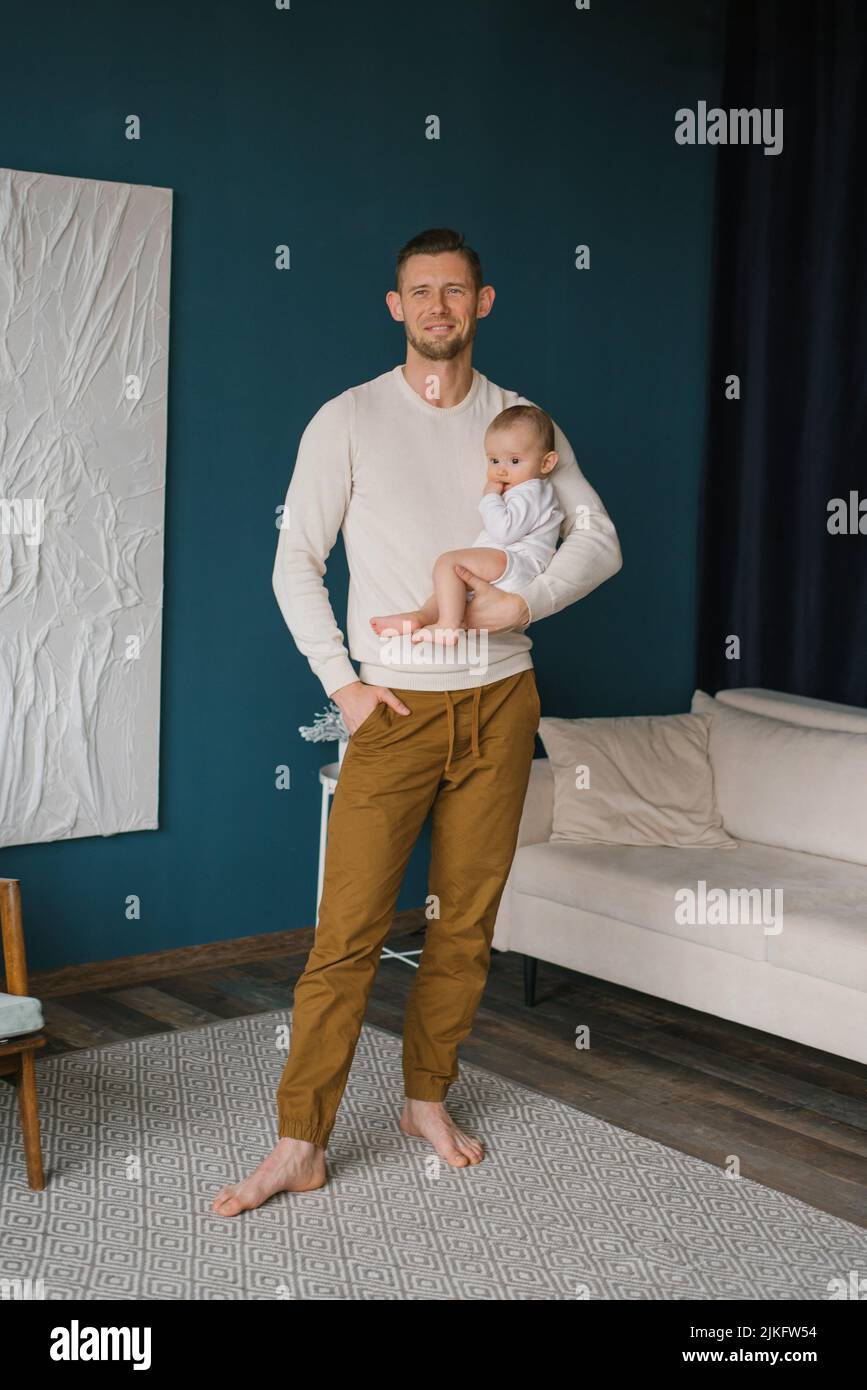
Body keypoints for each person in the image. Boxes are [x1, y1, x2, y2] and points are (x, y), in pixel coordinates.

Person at [212, 228, 622, 1216]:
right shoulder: (347, 420)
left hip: (500, 704)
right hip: (391, 711)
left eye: (455, 290)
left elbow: (599, 539)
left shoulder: (523, 422)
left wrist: (524, 606)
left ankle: (426, 1100)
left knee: (464, 925)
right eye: (418, 291)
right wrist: (343, 682)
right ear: (396, 307)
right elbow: (292, 563)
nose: (437, 304)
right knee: (346, 932)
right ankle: (300, 1141)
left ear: (483, 303)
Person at [371, 403, 564, 646]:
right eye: (494, 460)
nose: (502, 470)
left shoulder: (531, 491)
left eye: (514, 460)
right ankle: (421, 617)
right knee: (448, 589)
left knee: (448, 563)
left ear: (546, 463)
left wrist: (490, 496)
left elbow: (504, 531)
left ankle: (448, 626)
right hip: (510, 562)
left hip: (516, 561)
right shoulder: (525, 489)